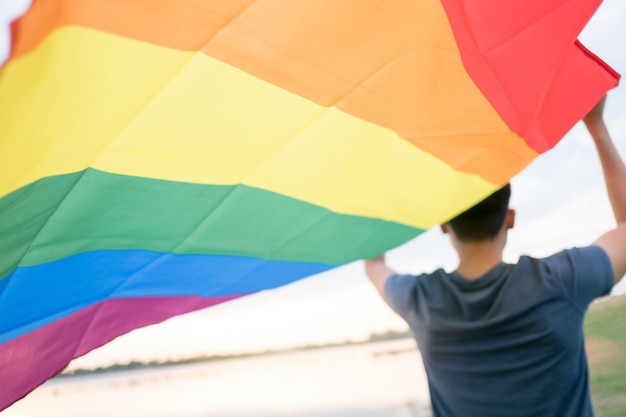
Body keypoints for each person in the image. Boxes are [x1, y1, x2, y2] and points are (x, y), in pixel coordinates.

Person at [364, 95, 626, 417]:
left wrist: (372, 188)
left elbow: (374, 264)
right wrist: (597, 127)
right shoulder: (560, 280)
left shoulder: (420, 300)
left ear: (445, 224)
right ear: (510, 217)